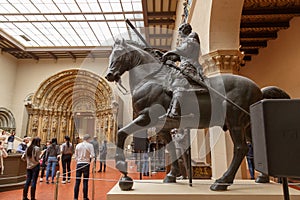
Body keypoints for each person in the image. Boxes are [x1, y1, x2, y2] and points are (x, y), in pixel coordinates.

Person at [161, 23, 204, 118]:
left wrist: (169, 52)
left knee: (179, 83)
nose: (179, 33)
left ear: (185, 29)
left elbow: (184, 50)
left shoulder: (192, 37)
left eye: (180, 30)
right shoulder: (186, 41)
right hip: (185, 66)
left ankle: (175, 112)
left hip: (190, 67)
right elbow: (178, 56)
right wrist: (165, 56)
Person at [74, 134, 95, 200]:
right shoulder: (90, 145)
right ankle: (85, 197)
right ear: (88, 139)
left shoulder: (78, 145)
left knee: (77, 181)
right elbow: (93, 155)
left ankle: (75, 197)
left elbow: (75, 156)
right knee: (85, 181)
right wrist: (89, 159)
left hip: (79, 164)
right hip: (86, 164)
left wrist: (79, 160)